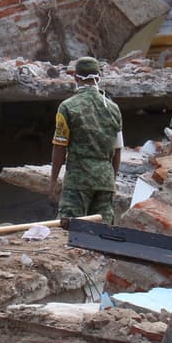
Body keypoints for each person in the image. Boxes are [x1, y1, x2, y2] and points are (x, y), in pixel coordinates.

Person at [49, 56, 123, 223]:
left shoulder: (67, 107)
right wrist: (111, 180)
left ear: (75, 77)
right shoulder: (114, 109)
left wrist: (53, 181)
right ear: (98, 77)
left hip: (78, 182)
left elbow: (60, 147)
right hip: (105, 181)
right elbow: (117, 149)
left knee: (69, 230)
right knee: (102, 234)